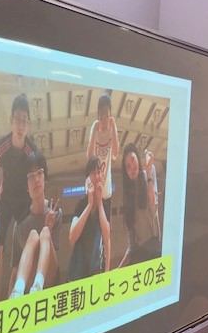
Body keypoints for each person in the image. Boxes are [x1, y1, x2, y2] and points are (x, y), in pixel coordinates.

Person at [0, 94, 39, 302]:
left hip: (24, 201)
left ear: (28, 124)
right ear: (11, 120)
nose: (20, 124)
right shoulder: (1, 147)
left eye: (24, 120)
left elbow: (38, 178)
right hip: (6, 198)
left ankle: (16, 293)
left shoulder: (31, 150)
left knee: (26, 244)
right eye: (17, 118)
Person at [8, 152, 62, 298]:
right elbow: (15, 270)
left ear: (45, 178)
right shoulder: (20, 225)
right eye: (30, 176)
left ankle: (38, 285)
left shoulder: (56, 213)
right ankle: (18, 291)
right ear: (26, 186)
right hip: (27, 281)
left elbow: (54, 257)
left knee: (45, 232)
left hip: (49, 279)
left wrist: (49, 228)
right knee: (33, 235)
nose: (36, 179)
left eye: (39, 173)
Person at [66, 156, 111, 281]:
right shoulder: (81, 205)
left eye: (98, 172)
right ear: (87, 179)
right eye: (92, 173)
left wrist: (107, 271)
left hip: (96, 271)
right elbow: (71, 239)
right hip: (77, 271)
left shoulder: (105, 205)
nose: (96, 176)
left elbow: (107, 237)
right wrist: (90, 204)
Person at [117, 143, 161, 268]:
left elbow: (153, 209)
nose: (132, 167)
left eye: (133, 159)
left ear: (138, 158)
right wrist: (118, 268)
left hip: (155, 247)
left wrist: (148, 173)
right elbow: (132, 246)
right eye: (128, 166)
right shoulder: (128, 201)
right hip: (141, 253)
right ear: (126, 173)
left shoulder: (150, 172)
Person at [86, 93, 119, 222]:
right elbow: (90, 158)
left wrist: (114, 128)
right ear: (98, 117)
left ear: (110, 116)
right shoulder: (95, 127)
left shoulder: (112, 128)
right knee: (92, 224)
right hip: (93, 190)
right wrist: (95, 130)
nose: (104, 121)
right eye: (101, 117)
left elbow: (115, 154)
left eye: (107, 116)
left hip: (106, 191)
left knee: (106, 228)